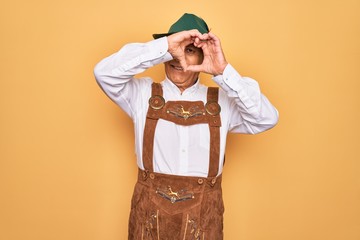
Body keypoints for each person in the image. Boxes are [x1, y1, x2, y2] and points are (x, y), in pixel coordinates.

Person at [94, 13, 278, 240]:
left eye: (189, 50)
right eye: (176, 49)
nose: (178, 57)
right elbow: (103, 73)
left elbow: (266, 118)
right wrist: (165, 46)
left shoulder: (223, 101)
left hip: (204, 222)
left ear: (203, 55)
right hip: (147, 223)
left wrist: (223, 72)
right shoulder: (141, 94)